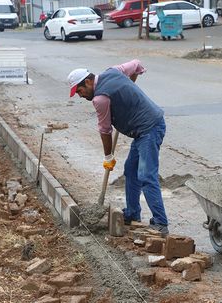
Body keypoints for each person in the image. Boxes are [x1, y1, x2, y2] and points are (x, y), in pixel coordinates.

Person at [67, 60, 169, 236]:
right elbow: (136, 65)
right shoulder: (113, 71)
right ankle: (132, 213)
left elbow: (105, 130)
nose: (80, 95)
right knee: (130, 171)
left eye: (80, 90)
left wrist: (108, 157)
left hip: (150, 128)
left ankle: (161, 223)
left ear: (88, 81)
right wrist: (126, 90)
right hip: (141, 131)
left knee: (146, 175)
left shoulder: (100, 99)